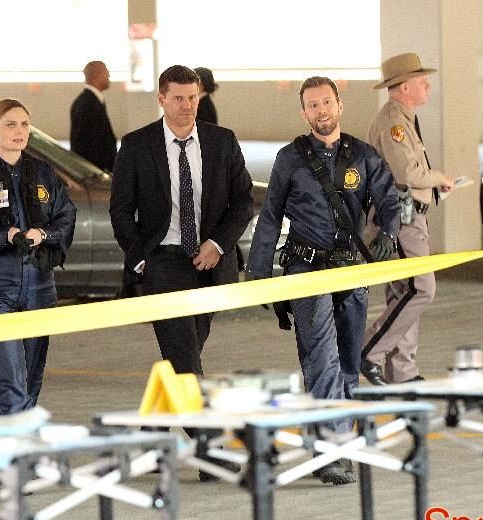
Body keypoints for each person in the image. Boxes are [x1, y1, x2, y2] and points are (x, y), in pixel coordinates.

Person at [246, 76, 399, 485]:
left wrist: (388, 232)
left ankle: (337, 442)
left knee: (347, 361)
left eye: (327, 102)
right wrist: (259, 271)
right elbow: (270, 214)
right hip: (306, 271)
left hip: (351, 269)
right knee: (322, 358)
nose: (321, 110)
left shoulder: (362, 155)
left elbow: (389, 198)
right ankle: (332, 452)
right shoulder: (290, 159)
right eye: (313, 105)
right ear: (304, 113)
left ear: (339, 105)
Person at [110, 64, 253, 378]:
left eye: (192, 97)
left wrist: (217, 244)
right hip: (161, 261)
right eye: (178, 98)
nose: (187, 105)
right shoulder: (137, 145)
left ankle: (167, 410)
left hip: (209, 263)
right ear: (161, 99)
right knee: (185, 356)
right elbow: (120, 209)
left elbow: (243, 200)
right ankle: (200, 412)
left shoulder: (222, 141)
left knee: (185, 355)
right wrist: (140, 258)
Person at [0, 98, 77, 416]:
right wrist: (4, 236)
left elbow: (66, 215)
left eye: (24, 124)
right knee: (9, 382)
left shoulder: (43, 173)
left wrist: (43, 234)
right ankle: (11, 443)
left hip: (39, 286)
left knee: (30, 383)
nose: (19, 131)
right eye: (10, 124)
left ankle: (8, 443)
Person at [361, 53, 455, 385]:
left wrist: (434, 186)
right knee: (420, 288)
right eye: (421, 81)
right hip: (399, 219)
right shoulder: (394, 123)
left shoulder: (403, 118)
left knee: (405, 292)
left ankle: (402, 371)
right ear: (403, 87)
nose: (428, 85)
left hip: (410, 215)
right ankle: (367, 350)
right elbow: (406, 172)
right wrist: (437, 176)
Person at [70, 60, 117, 172]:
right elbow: (88, 145)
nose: (109, 75)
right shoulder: (87, 105)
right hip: (95, 173)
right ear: (96, 75)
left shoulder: (92, 101)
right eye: (106, 71)